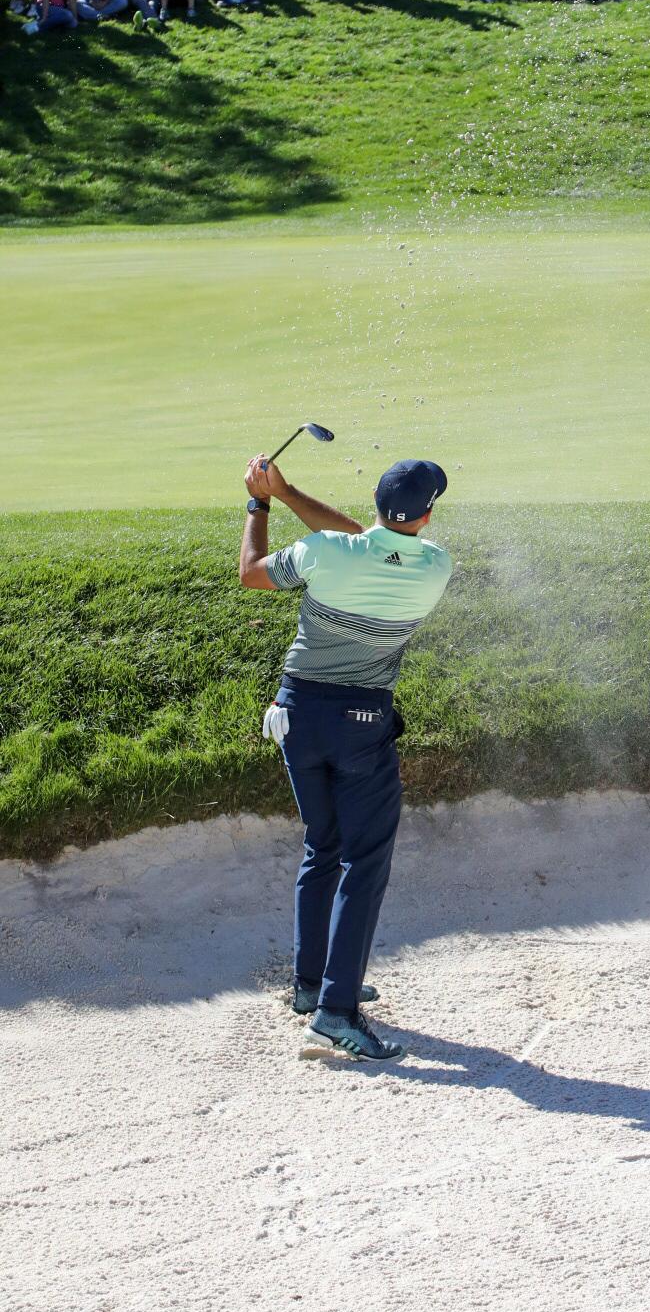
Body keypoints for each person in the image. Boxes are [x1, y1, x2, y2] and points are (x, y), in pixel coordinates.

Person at [240, 452, 452, 1061]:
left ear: (380, 505)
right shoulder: (435, 566)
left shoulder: (329, 552)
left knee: (322, 845)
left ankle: (312, 985)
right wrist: (287, 494)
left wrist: (264, 500)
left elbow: (253, 571)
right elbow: (371, 542)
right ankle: (335, 1013)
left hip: (296, 713)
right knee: (365, 861)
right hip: (361, 724)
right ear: (428, 516)